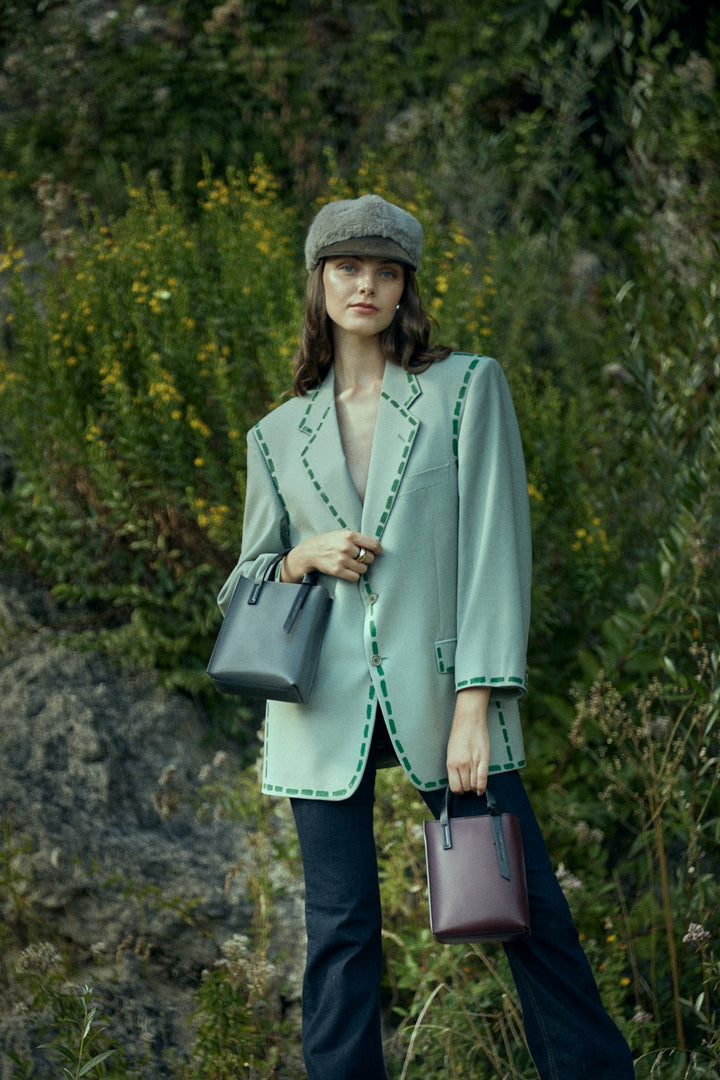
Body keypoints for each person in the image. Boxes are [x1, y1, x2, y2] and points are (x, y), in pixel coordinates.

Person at [218, 194, 635, 1080]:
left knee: (524, 910)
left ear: (405, 285)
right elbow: (241, 581)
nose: (363, 284)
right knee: (339, 935)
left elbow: (495, 550)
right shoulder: (275, 433)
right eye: (345, 267)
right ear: (319, 281)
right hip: (319, 708)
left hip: (449, 700)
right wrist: (300, 557)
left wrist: (477, 703)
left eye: (383, 270)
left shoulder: (465, 387)